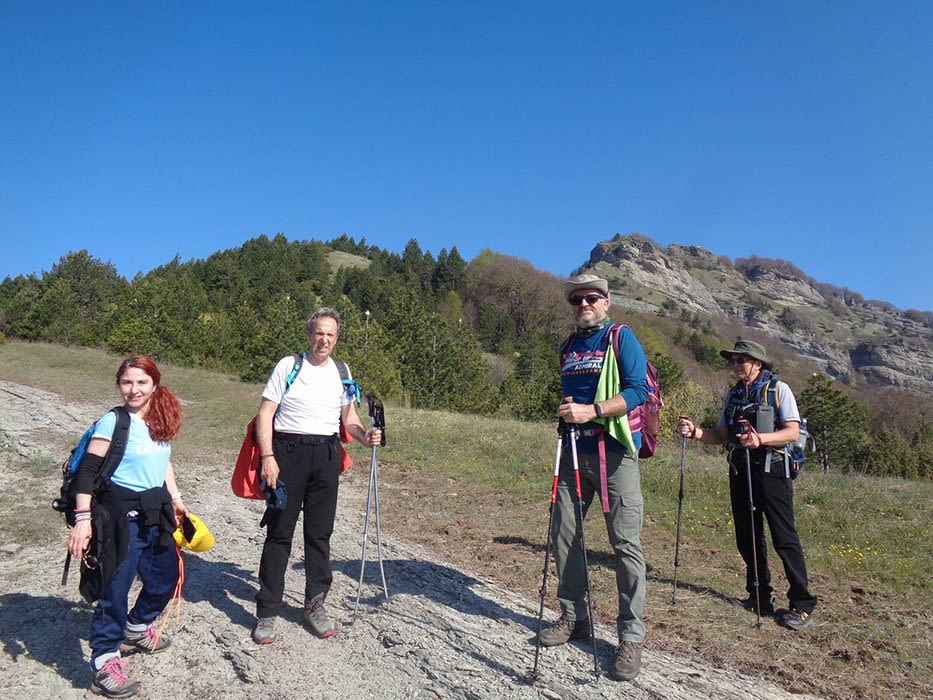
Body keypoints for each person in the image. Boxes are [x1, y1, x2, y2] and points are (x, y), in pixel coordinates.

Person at [539, 274, 649, 681]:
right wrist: (569, 409)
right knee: (563, 533)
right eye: (577, 300)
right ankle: (575, 617)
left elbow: (639, 391)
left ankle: (630, 637)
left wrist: (593, 411)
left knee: (624, 543)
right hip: (573, 452)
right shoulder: (567, 347)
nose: (583, 304)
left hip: (614, 454)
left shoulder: (621, 337)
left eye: (591, 298)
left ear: (606, 301)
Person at [251, 307, 381, 644]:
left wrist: (364, 436)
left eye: (330, 334)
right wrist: (268, 457)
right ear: (309, 334)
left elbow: (349, 418)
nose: (324, 340)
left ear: (337, 338)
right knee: (280, 533)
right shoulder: (288, 365)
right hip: (288, 453)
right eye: (319, 333)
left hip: (326, 455)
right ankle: (267, 611)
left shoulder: (342, 370)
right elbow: (265, 413)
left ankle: (315, 604)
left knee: (320, 534)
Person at [67, 355, 187, 699]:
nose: (133, 390)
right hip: (119, 518)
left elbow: (163, 460)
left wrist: (175, 497)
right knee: (114, 591)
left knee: (166, 577)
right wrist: (83, 520)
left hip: (154, 512)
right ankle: (104, 663)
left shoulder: (160, 416)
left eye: (141, 382)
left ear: (154, 384)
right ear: (119, 384)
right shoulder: (113, 422)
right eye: (127, 382)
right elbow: (87, 473)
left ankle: (136, 627)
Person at [677, 339, 817, 630]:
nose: (736, 364)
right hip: (740, 470)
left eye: (742, 360)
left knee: (783, 537)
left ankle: (802, 605)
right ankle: (759, 596)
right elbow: (721, 434)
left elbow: (792, 432)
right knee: (747, 536)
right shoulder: (732, 395)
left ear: (758, 363)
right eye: (733, 360)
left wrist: (760, 439)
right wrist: (696, 433)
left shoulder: (778, 389)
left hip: (772, 471)